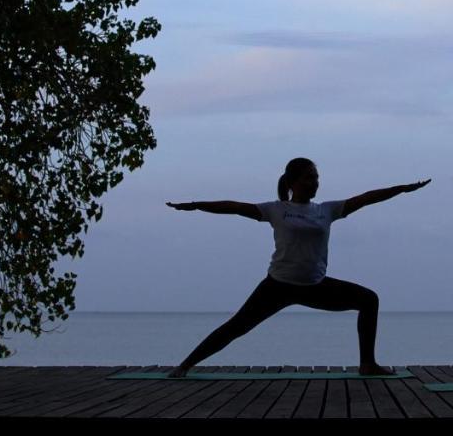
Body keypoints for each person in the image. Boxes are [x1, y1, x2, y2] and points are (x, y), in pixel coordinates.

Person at [166, 157, 429, 377]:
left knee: (369, 300)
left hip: (315, 286)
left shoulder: (326, 210)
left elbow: (366, 198)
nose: (315, 182)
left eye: (316, 177)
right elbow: (234, 207)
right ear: (292, 182)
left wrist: (402, 188)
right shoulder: (276, 209)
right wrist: (196, 205)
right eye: (309, 177)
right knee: (237, 327)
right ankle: (185, 365)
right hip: (278, 286)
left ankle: (367, 364)